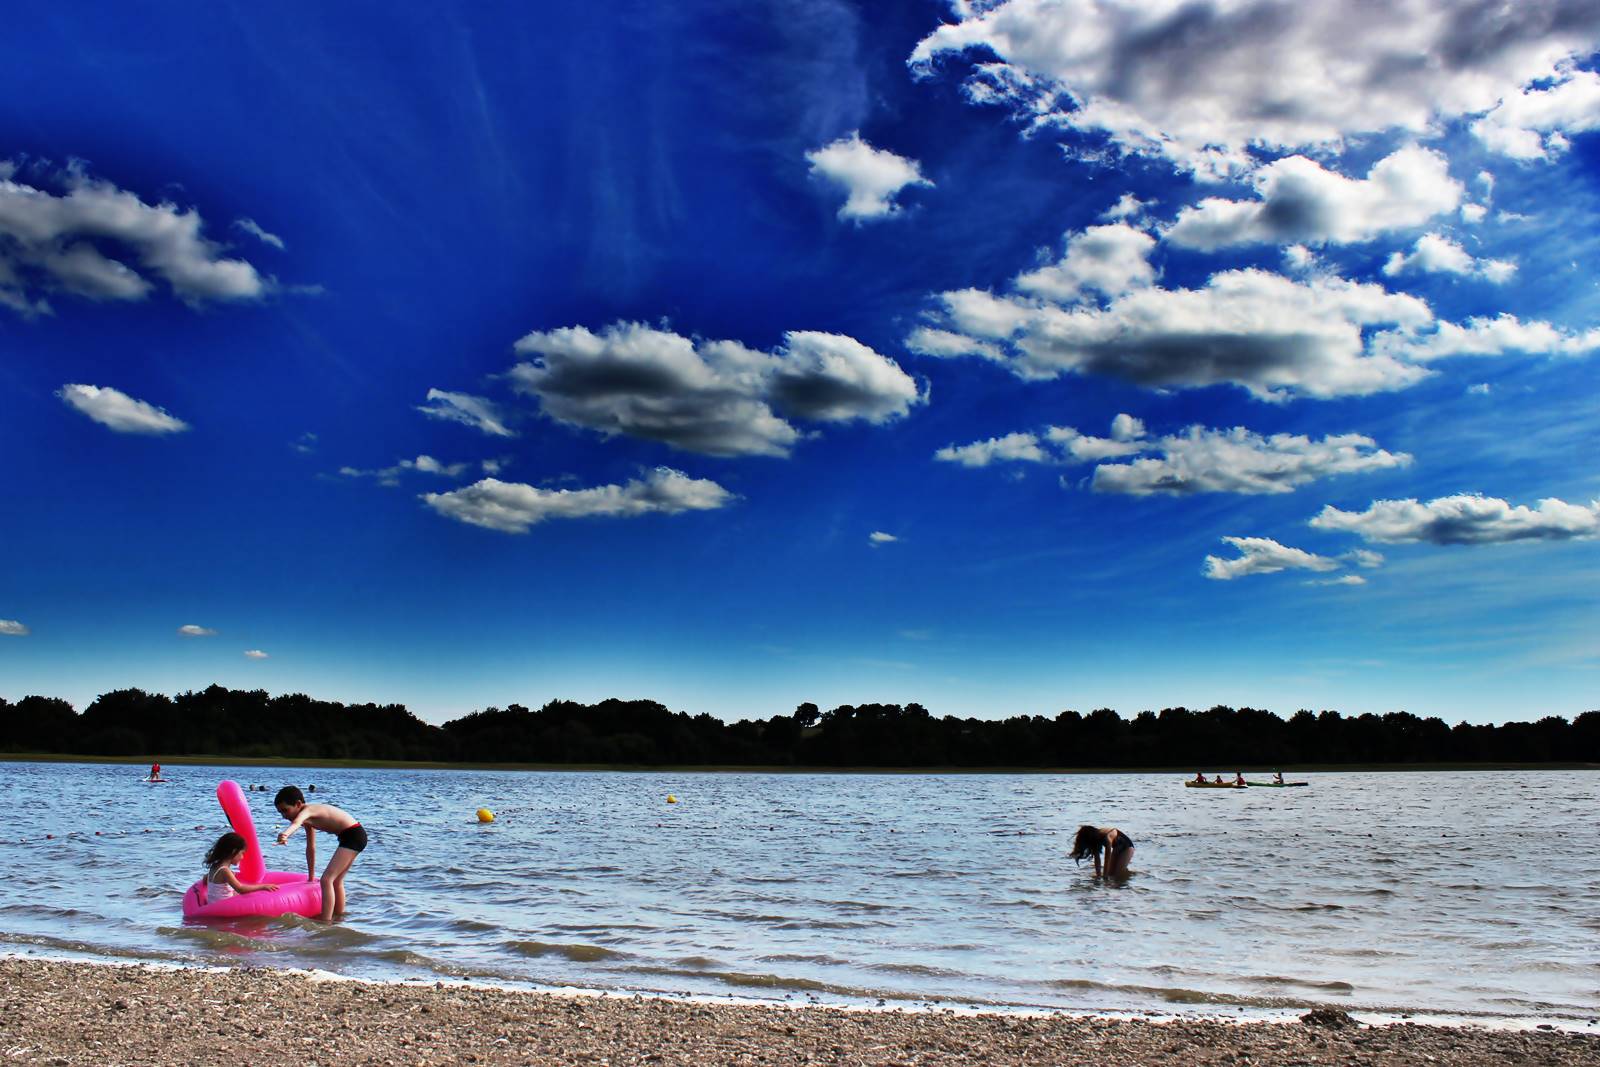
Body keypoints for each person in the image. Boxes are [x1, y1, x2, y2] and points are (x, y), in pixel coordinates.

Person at [274, 786, 367, 922]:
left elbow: (296, 823)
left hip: (353, 835)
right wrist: (311, 877)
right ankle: (339, 917)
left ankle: (325, 920)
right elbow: (311, 848)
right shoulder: (308, 819)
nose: (284, 816)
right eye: (280, 812)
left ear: (298, 804)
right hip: (352, 836)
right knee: (336, 880)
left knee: (326, 880)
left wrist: (285, 834)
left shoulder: (307, 811)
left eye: (285, 810)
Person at [203, 831, 280, 902]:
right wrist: (263, 887)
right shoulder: (224, 871)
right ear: (233, 851)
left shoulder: (215, 866)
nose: (242, 857)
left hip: (213, 905)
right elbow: (241, 889)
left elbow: (205, 879)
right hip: (223, 908)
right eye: (242, 853)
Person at [1070, 825, 1134, 878]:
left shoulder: (1106, 837)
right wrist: (1098, 876)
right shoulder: (1094, 840)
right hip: (1116, 847)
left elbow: (1107, 858)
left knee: (1116, 875)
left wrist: (1105, 877)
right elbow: (1097, 859)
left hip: (1127, 846)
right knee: (1110, 874)